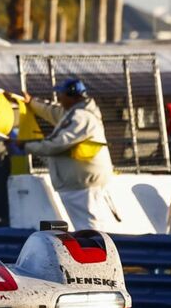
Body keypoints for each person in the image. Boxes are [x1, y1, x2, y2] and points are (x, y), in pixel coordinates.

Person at [16, 78, 118, 232]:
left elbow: (56, 144)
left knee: (89, 230)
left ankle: (96, 256)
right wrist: (31, 102)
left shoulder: (81, 117)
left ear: (71, 96)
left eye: (61, 94)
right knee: (89, 228)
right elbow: (53, 111)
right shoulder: (76, 112)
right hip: (82, 181)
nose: (59, 98)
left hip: (82, 184)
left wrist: (25, 145)